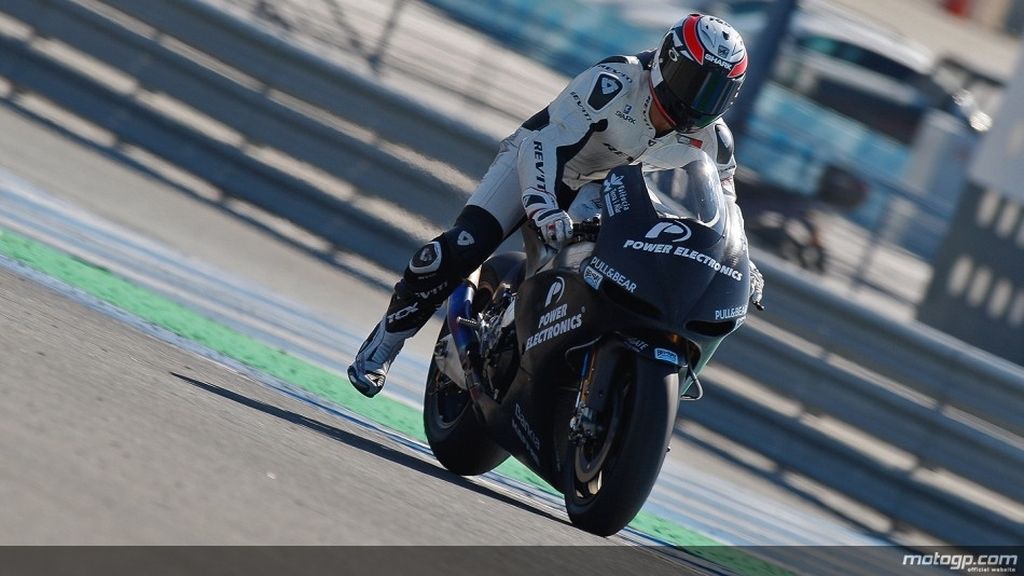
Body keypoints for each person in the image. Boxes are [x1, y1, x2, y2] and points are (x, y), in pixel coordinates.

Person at [348, 13, 765, 398]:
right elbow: (546, 142)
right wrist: (544, 208)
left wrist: (738, 258)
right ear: (667, 62)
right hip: (534, 163)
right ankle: (386, 342)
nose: (698, 101)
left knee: (614, 276)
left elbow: (724, 206)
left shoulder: (714, 139)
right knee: (461, 247)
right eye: (694, 82)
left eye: (715, 91)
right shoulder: (614, 81)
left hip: (602, 192)